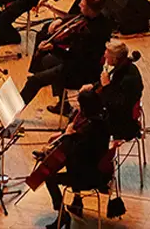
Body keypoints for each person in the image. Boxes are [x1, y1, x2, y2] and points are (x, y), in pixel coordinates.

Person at [19, 0, 114, 112]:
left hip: (81, 72)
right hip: (88, 63)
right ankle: (62, 105)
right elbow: (78, 17)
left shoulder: (88, 34)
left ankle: (12, 112)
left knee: (34, 81)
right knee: (47, 60)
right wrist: (60, 20)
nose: (79, 5)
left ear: (90, 10)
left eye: (83, 5)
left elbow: (72, 57)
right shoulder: (101, 17)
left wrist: (53, 48)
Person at [36, 89, 114, 229]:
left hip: (89, 177)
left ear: (85, 108)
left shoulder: (88, 131)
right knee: (68, 165)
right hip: (99, 171)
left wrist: (67, 136)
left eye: (80, 106)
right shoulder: (103, 119)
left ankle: (62, 215)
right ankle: (77, 202)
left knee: (49, 177)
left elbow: (75, 154)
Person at [92, 41, 144, 141]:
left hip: (121, 122)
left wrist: (106, 86)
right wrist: (93, 86)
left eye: (107, 57)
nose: (104, 57)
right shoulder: (124, 68)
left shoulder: (128, 79)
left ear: (115, 59)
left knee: (92, 128)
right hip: (117, 112)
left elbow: (116, 104)